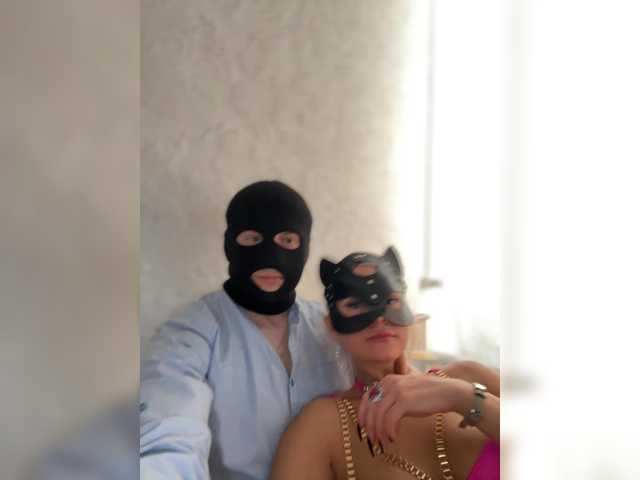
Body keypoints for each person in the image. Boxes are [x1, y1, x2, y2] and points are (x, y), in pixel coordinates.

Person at [140, 181, 352, 480]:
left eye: (287, 240)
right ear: (230, 243)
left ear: (304, 247)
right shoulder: (190, 332)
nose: (270, 256)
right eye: (253, 238)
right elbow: (166, 429)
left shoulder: (329, 326)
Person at [270, 247, 500, 480]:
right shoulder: (321, 424)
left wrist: (460, 396)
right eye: (354, 305)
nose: (379, 319)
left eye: (391, 300)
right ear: (331, 326)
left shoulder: (470, 377)